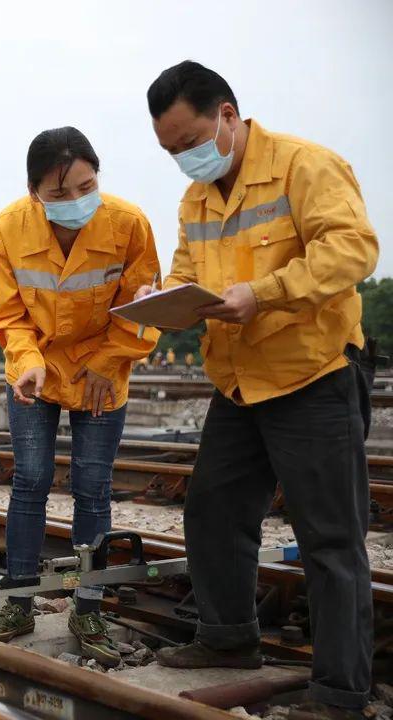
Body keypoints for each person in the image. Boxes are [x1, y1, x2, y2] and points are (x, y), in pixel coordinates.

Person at [140, 61, 377, 720]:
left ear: (227, 114)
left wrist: (266, 292)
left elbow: (353, 250)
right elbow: (190, 271)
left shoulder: (306, 165)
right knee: (213, 512)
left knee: (330, 540)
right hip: (240, 382)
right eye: (169, 151)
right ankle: (227, 638)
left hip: (314, 373)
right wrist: (163, 298)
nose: (182, 159)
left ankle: (339, 695)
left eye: (188, 141)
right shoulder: (196, 199)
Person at [0, 127, 160, 665]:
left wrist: (107, 362)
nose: (77, 201)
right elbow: (9, 315)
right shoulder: (5, 229)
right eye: (60, 194)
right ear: (34, 192)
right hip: (35, 373)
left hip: (103, 374)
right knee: (30, 481)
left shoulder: (129, 224)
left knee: (92, 486)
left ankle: (89, 605)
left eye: (87, 185)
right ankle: (18, 602)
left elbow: (143, 307)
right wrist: (29, 363)